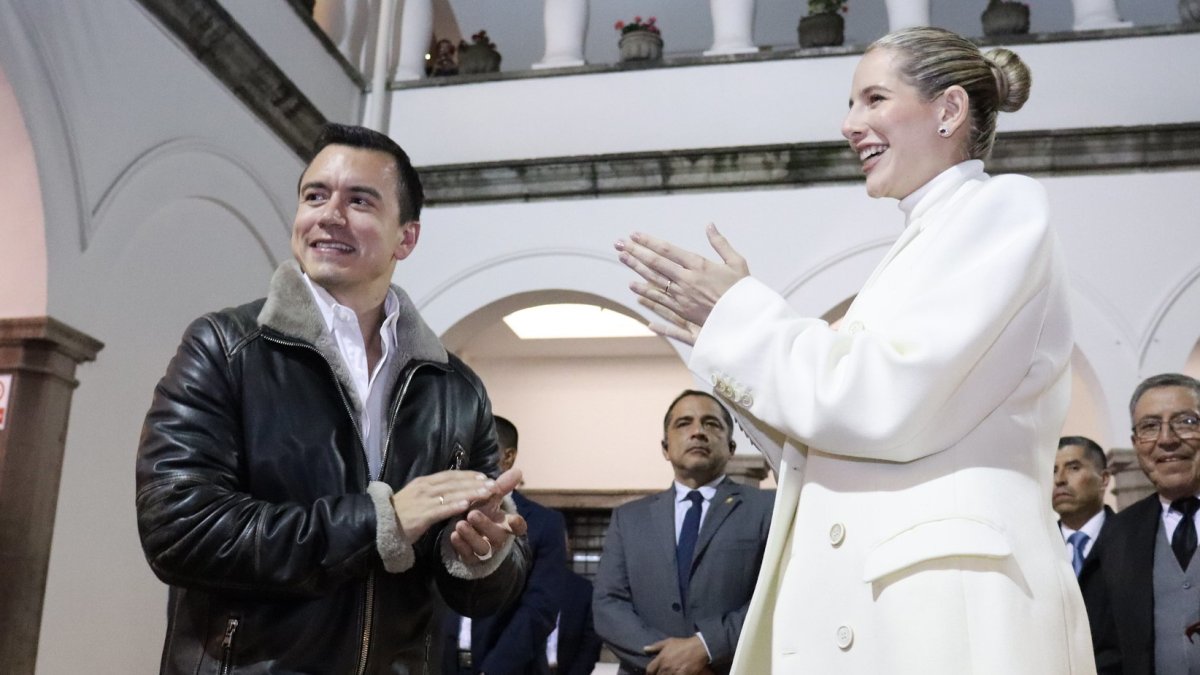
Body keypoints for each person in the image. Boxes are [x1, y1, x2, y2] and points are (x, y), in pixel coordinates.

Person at [615, 26, 1094, 674]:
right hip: (886, 616)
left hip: (948, 615)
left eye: (873, 99)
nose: (849, 124)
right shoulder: (912, 250)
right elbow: (823, 449)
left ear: (949, 110)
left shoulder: (1002, 208)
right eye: (850, 104)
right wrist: (723, 349)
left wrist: (747, 322)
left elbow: (882, 399)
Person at [135, 123, 529, 674]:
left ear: (405, 238)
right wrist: (380, 521)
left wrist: (483, 556)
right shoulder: (225, 347)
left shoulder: (457, 391)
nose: (330, 215)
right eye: (315, 196)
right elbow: (181, 531)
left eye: (359, 201)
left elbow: (484, 594)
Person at [593, 390, 773, 675]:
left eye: (711, 424)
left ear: (731, 447)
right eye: (684, 423)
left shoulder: (767, 509)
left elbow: (774, 597)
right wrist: (671, 662)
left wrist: (706, 647)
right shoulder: (629, 519)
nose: (698, 431)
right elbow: (608, 605)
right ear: (665, 447)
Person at [1091, 373, 1200, 675]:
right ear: (1136, 444)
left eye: (1185, 422)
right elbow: (1107, 646)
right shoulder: (1118, 534)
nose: (1167, 439)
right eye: (1150, 427)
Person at [441, 415, 566, 675]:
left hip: (509, 668)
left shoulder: (545, 522)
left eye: (481, 446)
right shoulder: (445, 514)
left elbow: (540, 609)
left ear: (507, 457)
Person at [1054, 436, 1113, 576]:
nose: (1059, 479)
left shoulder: (1131, 537)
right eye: (1053, 471)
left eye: (1073, 468)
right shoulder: (1037, 547)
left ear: (1103, 479)